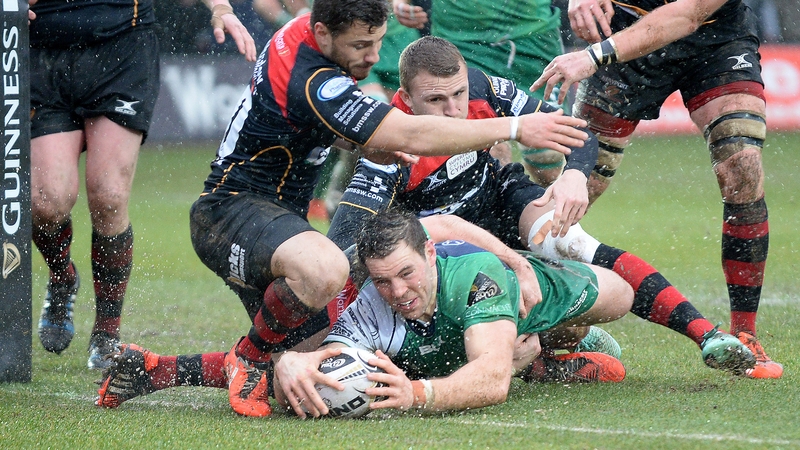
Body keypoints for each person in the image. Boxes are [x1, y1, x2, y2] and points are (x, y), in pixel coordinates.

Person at [184, 0, 590, 418]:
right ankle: (247, 358)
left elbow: (312, 124)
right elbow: (412, 134)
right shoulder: (315, 79)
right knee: (326, 273)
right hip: (231, 211)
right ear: (323, 34)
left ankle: (155, 370)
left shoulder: (312, 35)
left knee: (306, 375)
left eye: (378, 42)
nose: (375, 57)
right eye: (362, 45)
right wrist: (516, 127)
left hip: (278, 218)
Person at [327, 36, 755, 377]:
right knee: (492, 324)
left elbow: (578, 132)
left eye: (458, 93)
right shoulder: (386, 148)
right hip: (443, 256)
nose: (454, 110)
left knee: (571, 242)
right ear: (405, 98)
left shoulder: (484, 89)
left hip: (498, 202)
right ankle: (542, 357)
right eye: (436, 101)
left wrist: (573, 175)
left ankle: (706, 335)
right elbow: (345, 247)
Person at [273, 210, 748, 417]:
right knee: (490, 348)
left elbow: (493, 381)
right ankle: (536, 356)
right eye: (382, 280)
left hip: (530, 291)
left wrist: (416, 394)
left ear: (430, 255)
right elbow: (328, 358)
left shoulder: (476, 274)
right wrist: (290, 365)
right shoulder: (372, 303)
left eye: (406, 273)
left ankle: (565, 339)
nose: (397, 291)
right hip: (467, 322)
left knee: (618, 296)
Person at [530, 0, 782, 379]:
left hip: (714, 37)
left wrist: (594, 56)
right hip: (627, 28)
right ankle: (521, 325)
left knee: (741, 167)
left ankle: (745, 334)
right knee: (574, 187)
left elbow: (687, 13)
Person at [29, 0, 256, 369]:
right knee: (46, 203)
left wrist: (219, 6)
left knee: (109, 197)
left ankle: (106, 333)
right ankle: (62, 277)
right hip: (42, 51)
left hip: (122, 49)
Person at [391, 0, 573, 186]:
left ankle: (546, 209)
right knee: (488, 145)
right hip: (462, 38)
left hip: (531, 34)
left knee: (548, 156)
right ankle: (494, 207)